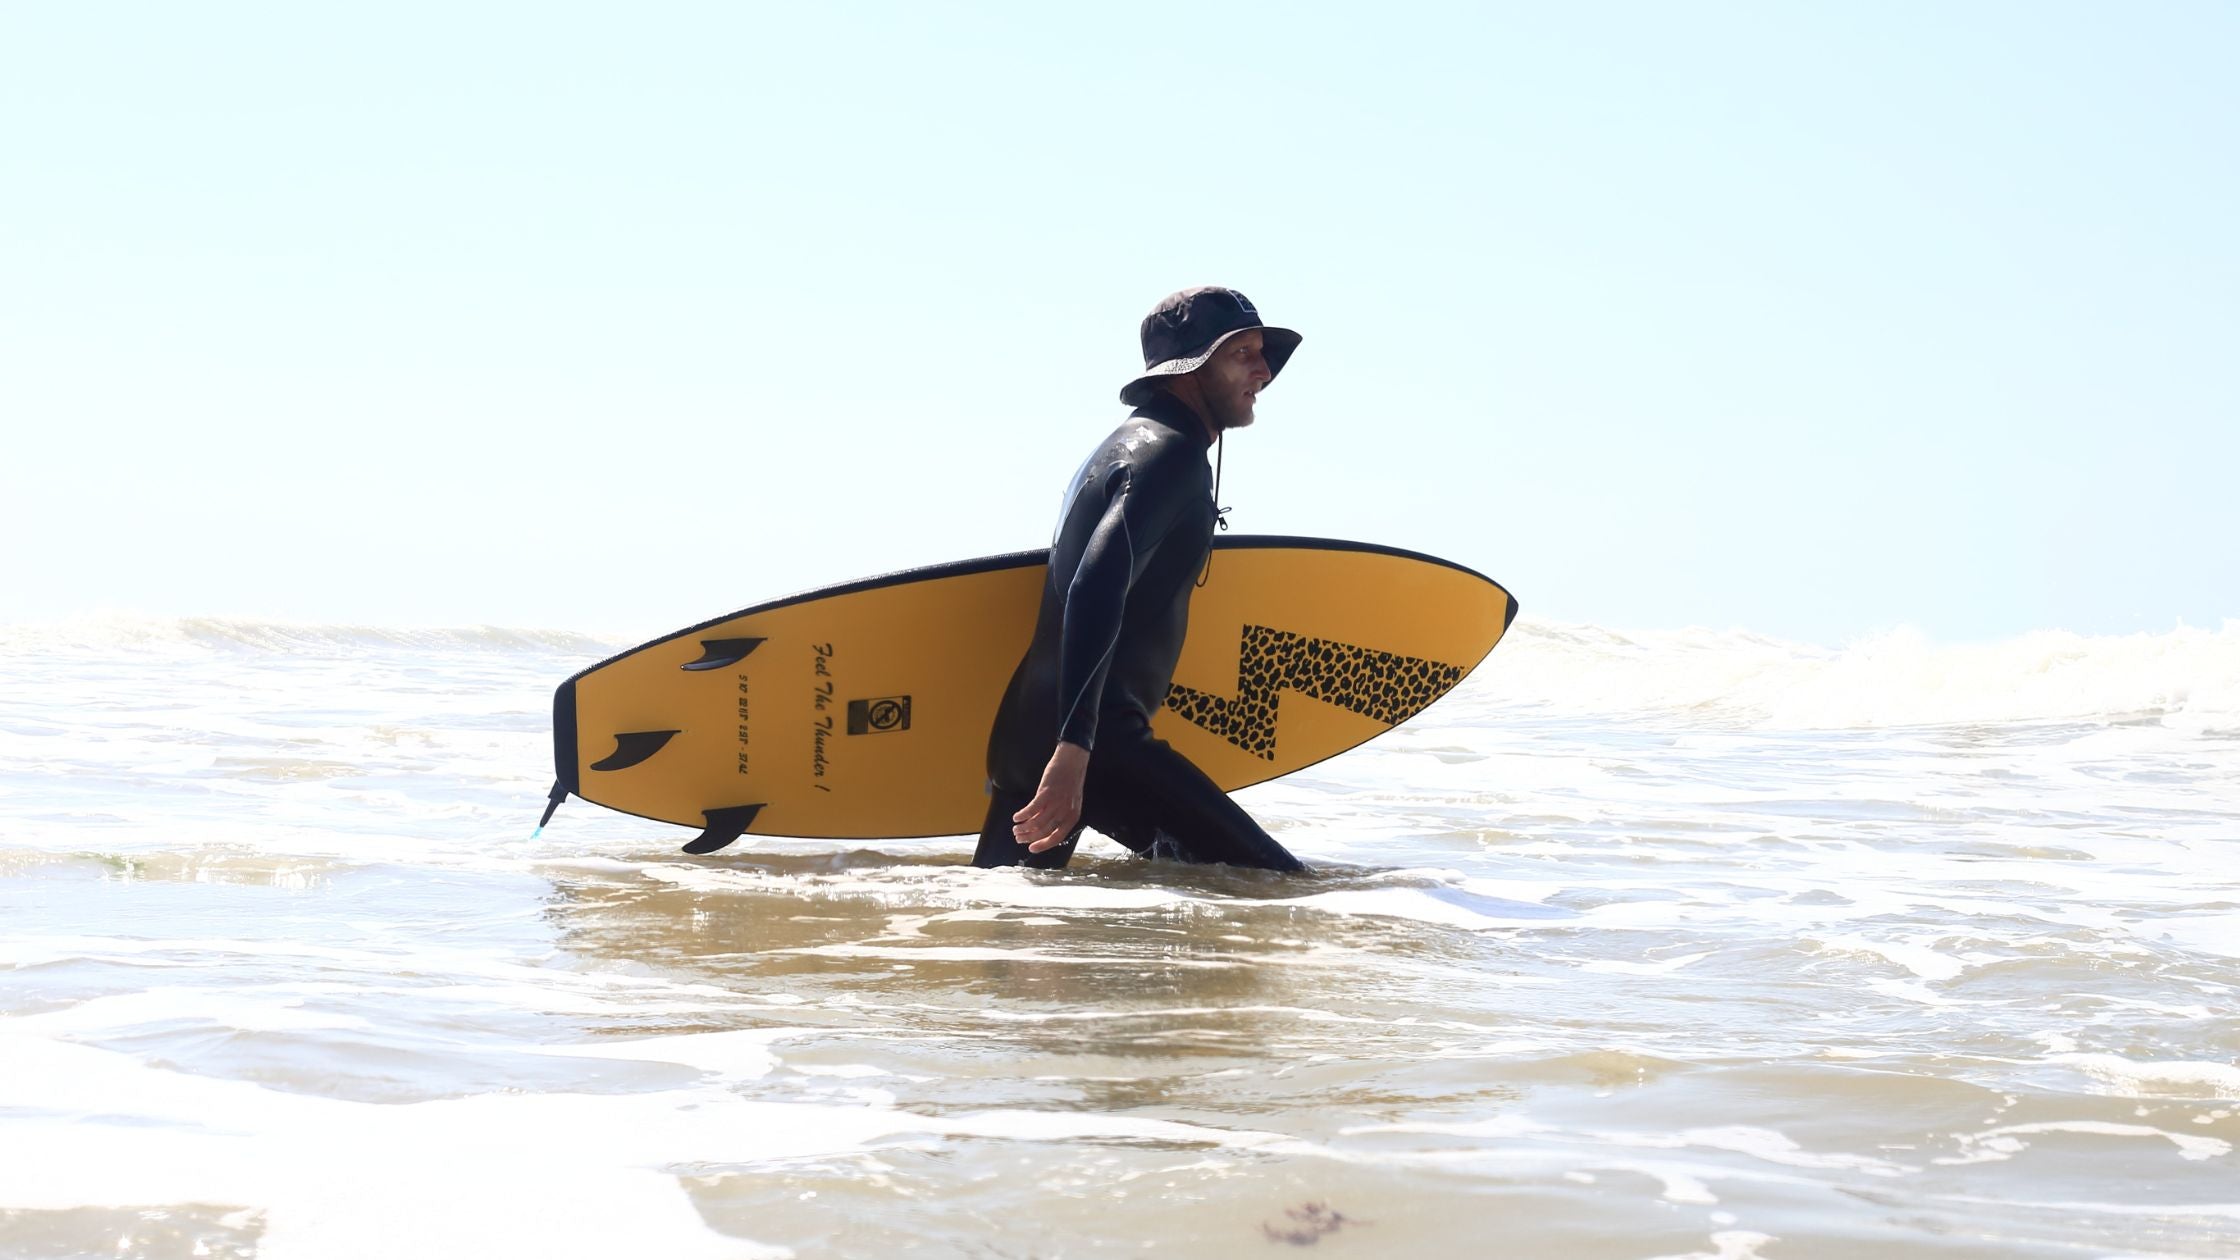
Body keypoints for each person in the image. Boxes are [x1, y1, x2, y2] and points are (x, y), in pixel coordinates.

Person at [974, 287, 1309, 872]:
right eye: (1242, 353)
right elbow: (1094, 588)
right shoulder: (1169, 456)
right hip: (1096, 745)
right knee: (1273, 888)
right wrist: (1076, 749)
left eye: (1264, 354)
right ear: (1189, 370)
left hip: (1035, 733)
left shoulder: (1127, 447)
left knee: (1009, 933)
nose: (1264, 370)